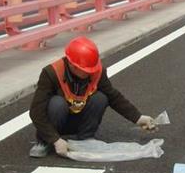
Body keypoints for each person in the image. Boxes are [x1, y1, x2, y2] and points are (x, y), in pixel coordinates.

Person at [28, 36, 156, 157]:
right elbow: (36, 112)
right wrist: (54, 139)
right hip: (57, 120)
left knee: (101, 98)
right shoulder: (51, 73)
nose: (90, 73)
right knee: (57, 103)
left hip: (78, 119)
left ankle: (86, 137)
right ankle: (44, 141)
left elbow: (113, 96)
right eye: (86, 70)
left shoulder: (96, 72)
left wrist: (138, 118)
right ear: (72, 65)